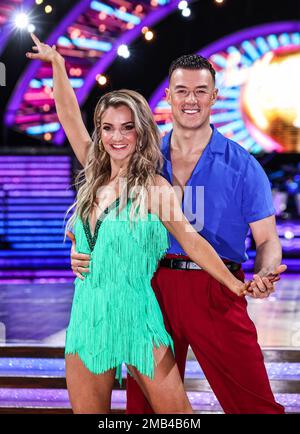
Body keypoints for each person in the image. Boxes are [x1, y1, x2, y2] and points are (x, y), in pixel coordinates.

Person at [26, 36, 252, 414]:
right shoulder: (93, 176)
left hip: (140, 319)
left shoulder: (154, 188)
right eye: (108, 128)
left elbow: (192, 241)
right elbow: (68, 116)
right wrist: (59, 67)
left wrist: (234, 284)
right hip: (87, 320)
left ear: (140, 131)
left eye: (126, 128)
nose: (116, 137)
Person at [68, 53, 287, 414]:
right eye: (182, 90)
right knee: (146, 411)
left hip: (216, 288)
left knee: (254, 404)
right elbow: (97, 205)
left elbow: (267, 240)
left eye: (201, 91)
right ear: (167, 95)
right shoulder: (141, 156)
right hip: (153, 288)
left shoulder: (243, 165)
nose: (191, 100)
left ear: (215, 96)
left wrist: (265, 271)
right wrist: (83, 247)